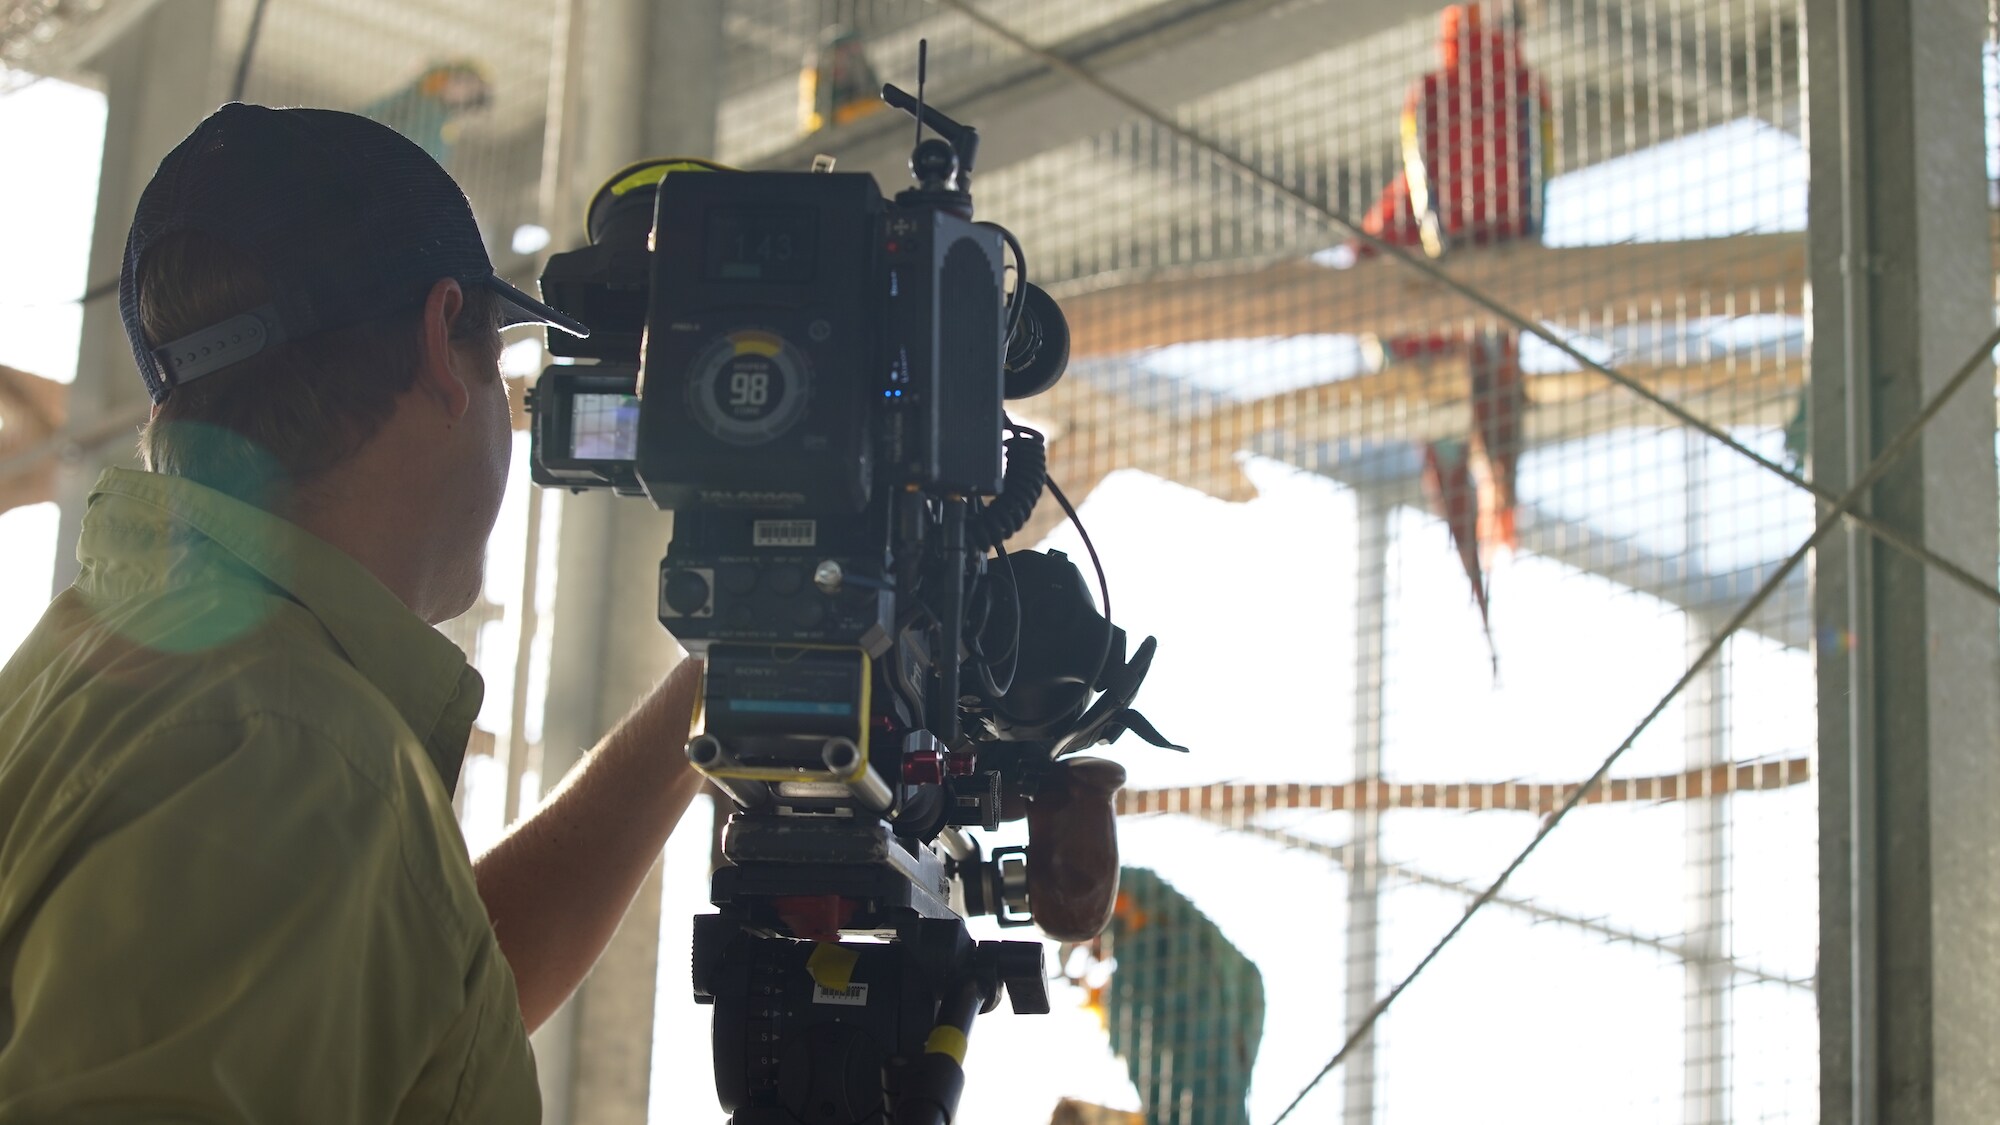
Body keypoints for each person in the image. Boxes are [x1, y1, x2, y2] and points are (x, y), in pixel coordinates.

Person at [0, 103, 704, 1120]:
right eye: (497, 363)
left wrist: (722, 687)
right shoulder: (284, 755)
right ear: (437, 340)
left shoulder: (111, 669)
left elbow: (415, 1011)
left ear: (171, 402)